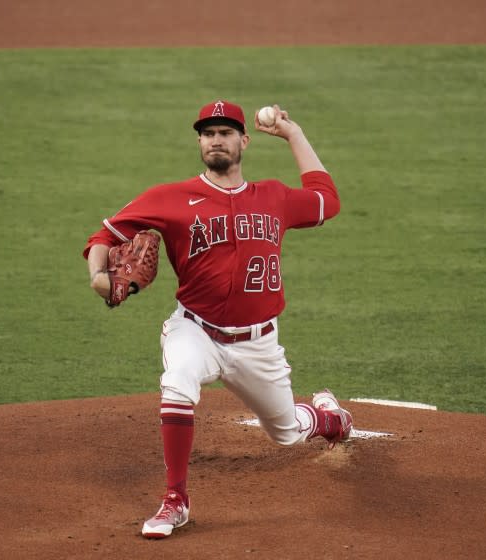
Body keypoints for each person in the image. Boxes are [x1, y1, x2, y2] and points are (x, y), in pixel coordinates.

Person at [82, 100, 353, 539]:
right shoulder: (168, 197)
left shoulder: (274, 196)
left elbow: (328, 201)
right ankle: (176, 501)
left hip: (257, 343)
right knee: (178, 383)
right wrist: (97, 274)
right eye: (208, 133)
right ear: (199, 142)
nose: (216, 140)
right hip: (196, 329)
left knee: (285, 432)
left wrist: (294, 135)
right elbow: (106, 235)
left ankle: (328, 417)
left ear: (243, 141)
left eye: (225, 132)